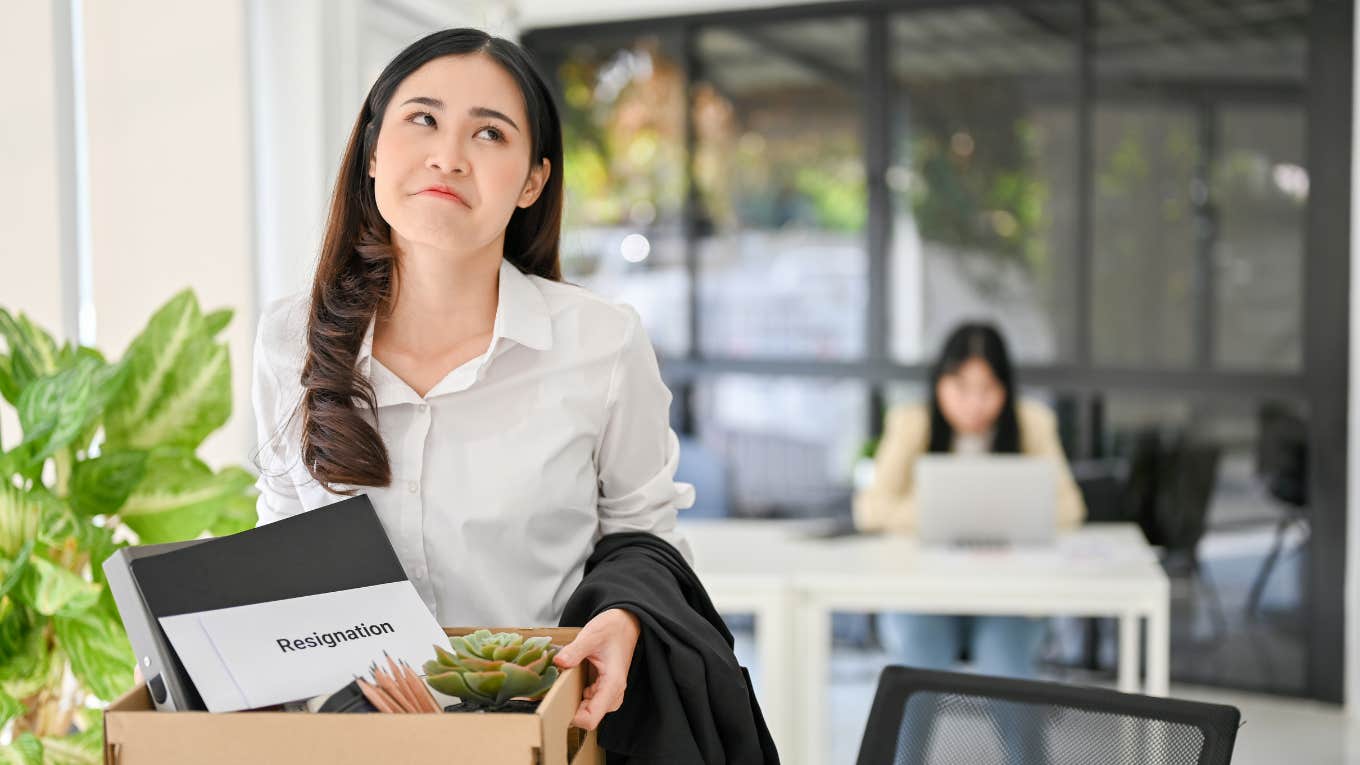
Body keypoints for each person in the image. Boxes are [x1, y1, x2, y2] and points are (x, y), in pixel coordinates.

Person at [250, 29, 692, 733]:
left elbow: (645, 534)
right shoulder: (288, 338)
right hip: (344, 742)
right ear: (372, 152)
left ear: (532, 181)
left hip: (537, 736)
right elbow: (278, 536)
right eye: (422, 118)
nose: (448, 157)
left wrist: (627, 618)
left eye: (489, 133)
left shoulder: (602, 344)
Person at [852, 323, 1086, 679]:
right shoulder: (912, 422)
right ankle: (907, 739)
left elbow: (1071, 507)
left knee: (1005, 663)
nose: (974, 403)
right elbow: (869, 509)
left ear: (1005, 389)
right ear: (939, 382)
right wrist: (950, 514)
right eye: (961, 387)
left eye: (988, 388)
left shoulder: (1032, 424)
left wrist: (982, 515)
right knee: (919, 666)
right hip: (925, 589)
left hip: (1009, 591)